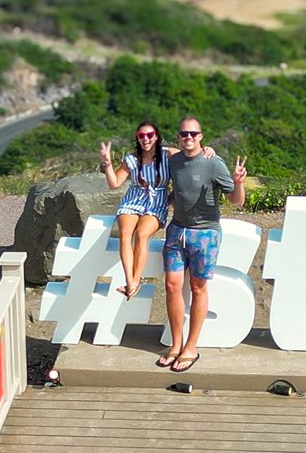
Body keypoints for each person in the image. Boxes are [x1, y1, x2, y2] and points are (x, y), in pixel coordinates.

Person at [157, 118, 247, 372]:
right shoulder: (173, 160)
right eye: (184, 133)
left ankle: (191, 348)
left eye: (193, 134)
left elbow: (236, 201)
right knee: (172, 286)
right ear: (179, 136)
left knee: (198, 287)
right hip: (177, 232)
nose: (188, 137)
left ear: (201, 136)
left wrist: (238, 182)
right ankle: (176, 345)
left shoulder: (213, 163)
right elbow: (151, 151)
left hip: (205, 234)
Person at [98, 122, 171, 299]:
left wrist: (207, 150)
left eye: (149, 135)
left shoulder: (168, 154)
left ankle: (136, 279)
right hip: (134, 199)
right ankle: (130, 280)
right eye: (141, 135)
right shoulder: (131, 158)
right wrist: (107, 164)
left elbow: (192, 152)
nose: (145, 139)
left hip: (157, 201)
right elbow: (114, 183)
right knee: (124, 233)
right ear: (137, 137)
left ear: (156, 136)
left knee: (142, 234)